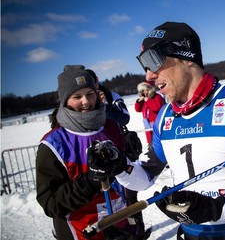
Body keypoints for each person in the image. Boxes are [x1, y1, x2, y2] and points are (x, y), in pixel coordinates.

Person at [87, 21, 225, 240]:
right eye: (144, 66)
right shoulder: (165, 117)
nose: (148, 76)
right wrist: (120, 167)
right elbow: (144, 177)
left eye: (154, 61)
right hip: (190, 234)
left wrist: (219, 208)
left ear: (186, 57)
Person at [35, 65, 148, 240]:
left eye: (90, 94)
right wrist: (90, 181)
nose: (86, 101)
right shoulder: (53, 144)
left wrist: (128, 159)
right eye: (77, 96)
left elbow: (124, 180)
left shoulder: (110, 127)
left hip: (120, 226)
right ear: (65, 100)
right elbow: (50, 203)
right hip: (82, 232)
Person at [86, 68, 147, 237]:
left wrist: (105, 106)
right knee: (105, 197)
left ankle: (137, 229)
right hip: (98, 154)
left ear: (97, 80)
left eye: (92, 82)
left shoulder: (111, 95)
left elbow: (124, 118)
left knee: (128, 194)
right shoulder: (85, 100)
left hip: (119, 150)